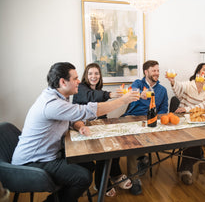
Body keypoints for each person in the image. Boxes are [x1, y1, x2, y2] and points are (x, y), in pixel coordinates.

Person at [11, 62, 139, 202]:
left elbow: (71, 118)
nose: (79, 81)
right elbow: (87, 111)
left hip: (45, 155)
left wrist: (79, 126)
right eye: (75, 78)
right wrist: (122, 100)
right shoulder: (52, 103)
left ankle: (67, 194)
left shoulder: (57, 96)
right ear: (63, 82)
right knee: (83, 177)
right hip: (33, 162)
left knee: (89, 164)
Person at [72, 63, 132, 197]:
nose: (94, 76)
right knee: (103, 149)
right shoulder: (81, 88)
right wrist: (110, 94)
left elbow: (102, 111)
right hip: (80, 127)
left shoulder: (99, 90)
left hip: (96, 126)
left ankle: (115, 174)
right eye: (91, 73)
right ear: (85, 76)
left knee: (117, 141)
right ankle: (100, 183)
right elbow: (91, 97)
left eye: (97, 73)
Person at [122, 60, 168, 195]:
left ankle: (142, 158)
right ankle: (135, 177)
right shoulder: (138, 83)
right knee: (131, 143)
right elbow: (131, 93)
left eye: (158, 70)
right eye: (154, 70)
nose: (157, 73)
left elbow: (164, 109)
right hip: (133, 117)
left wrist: (156, 120)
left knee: (145, 137)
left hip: (152, 119)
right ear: (146, 72)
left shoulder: (162, 90)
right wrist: (138, 94)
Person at [166, 63, 205, 185]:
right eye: (204, 69)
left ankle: (186, 169)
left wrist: (188, 109)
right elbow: (178, 88)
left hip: (197, 118)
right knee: (192, 135)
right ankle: (197, 160)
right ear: (198, 72)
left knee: (199, 132)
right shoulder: (189, 85)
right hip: (183, 118)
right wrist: (172, 82)